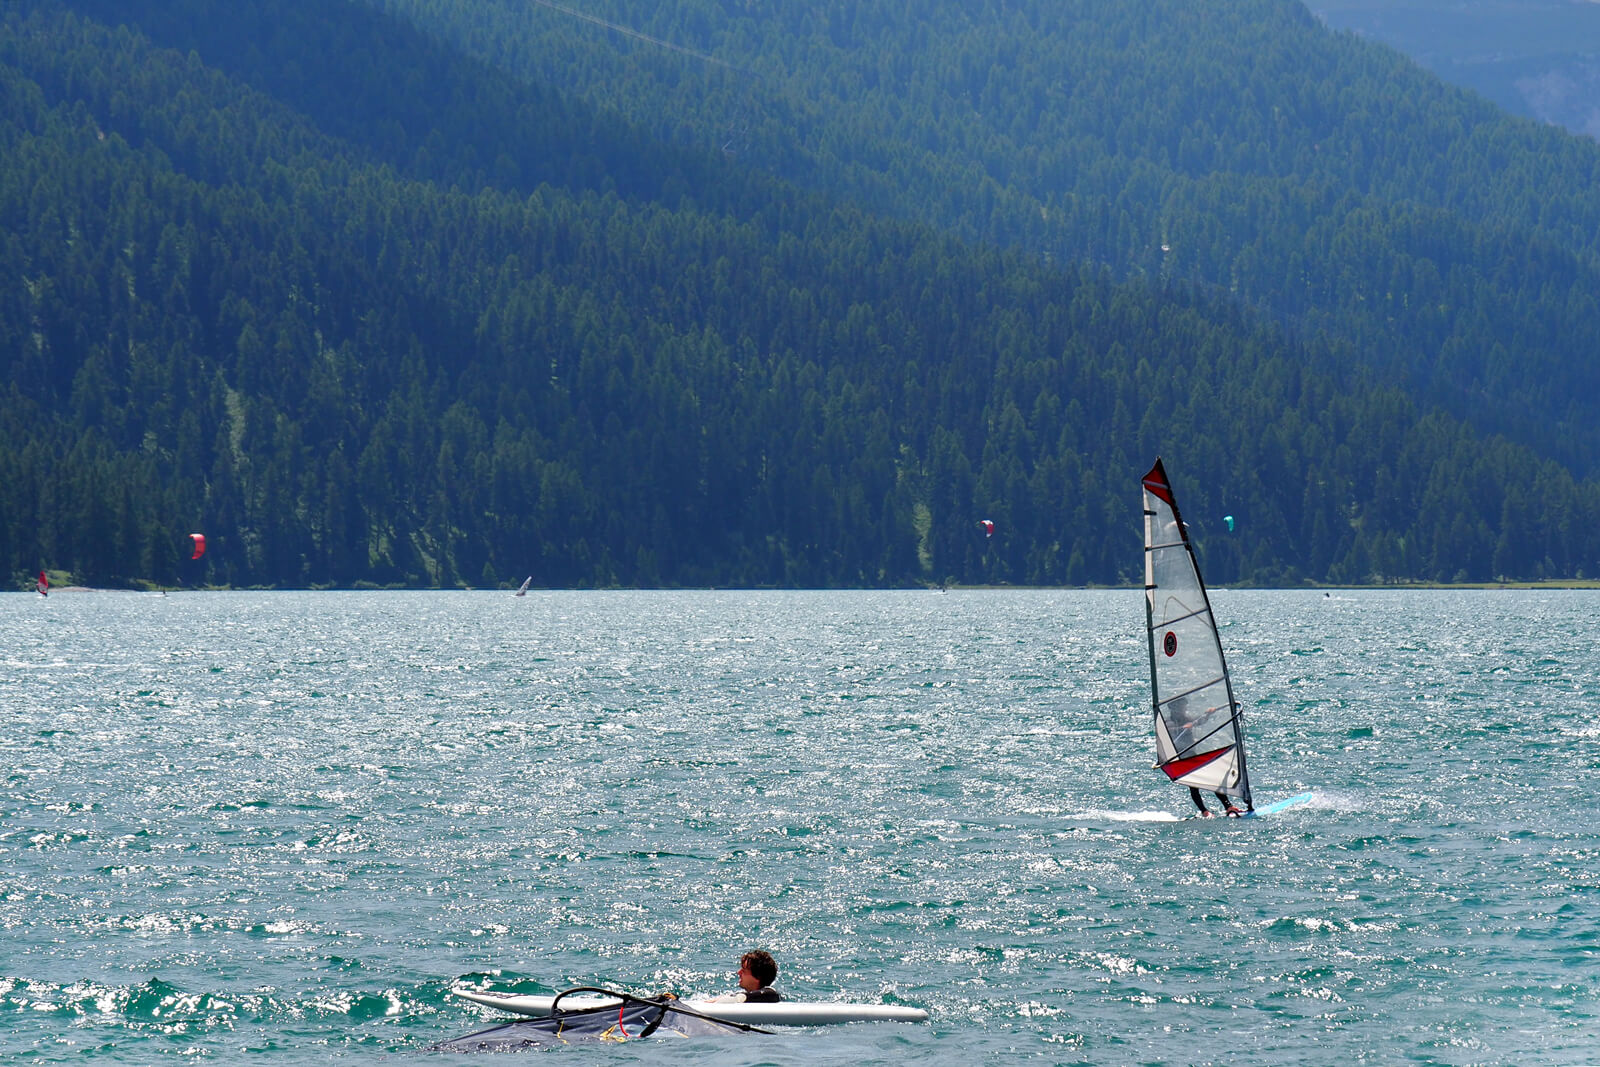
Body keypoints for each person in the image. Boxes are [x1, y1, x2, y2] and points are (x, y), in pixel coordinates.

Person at [709, 950, 781, 1003]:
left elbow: (771, 995)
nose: (738, 972)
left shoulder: (770, 994)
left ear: (757, 977)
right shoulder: (748, 997)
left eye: (744, 970)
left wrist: (734, 999)